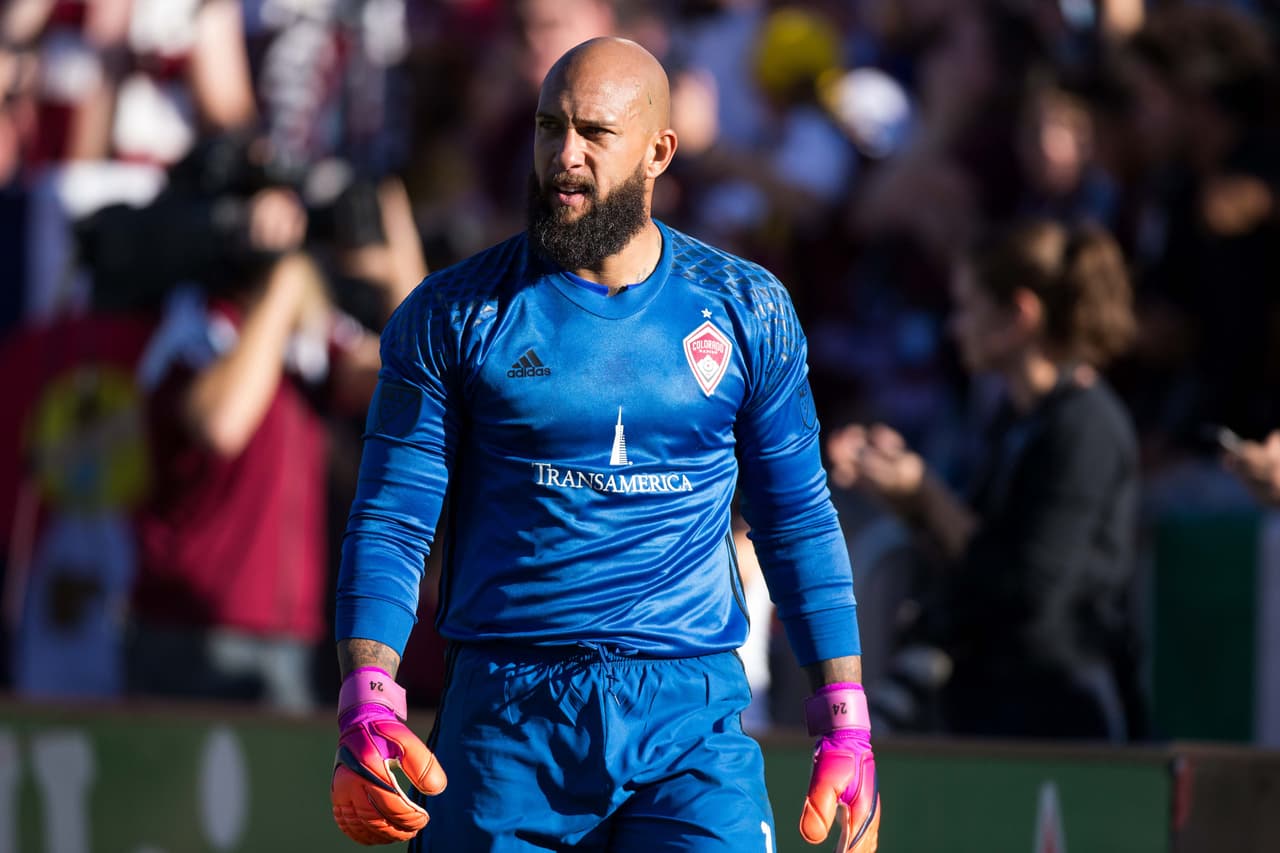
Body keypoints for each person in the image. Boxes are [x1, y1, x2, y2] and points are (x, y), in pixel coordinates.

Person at [330, 37, 879, 852]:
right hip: (507, 720)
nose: (564, 156)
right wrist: (369, 696)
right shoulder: (454, 313)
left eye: (594, 132)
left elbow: (795, 517)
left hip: (688, 718)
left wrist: (845, 720)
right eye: (550, 127)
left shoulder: (745, 307)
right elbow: (392, 520)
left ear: (659, 151)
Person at [827, 219, 1142, 741]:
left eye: (968, 306)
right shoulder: (1016, 419)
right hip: (997, 711)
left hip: (1066, 724)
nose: (955, 326)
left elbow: (1029, 588)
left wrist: (928, 495)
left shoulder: (1086, 427)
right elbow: (970, 555)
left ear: (1020, 315)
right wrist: (910, 499)